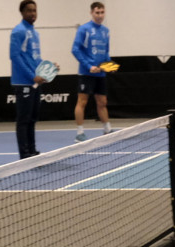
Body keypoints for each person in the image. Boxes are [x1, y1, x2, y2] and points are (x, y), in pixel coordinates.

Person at [10, 0, 56, 159]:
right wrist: (32, 76)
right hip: (23, 82)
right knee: (23, 119)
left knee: (32, 118)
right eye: (29, 10)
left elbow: (35, 59)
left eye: (34, 10)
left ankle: (32, 150)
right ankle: (24, 154)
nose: (32, 13)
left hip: (35, 83)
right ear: (22, 12)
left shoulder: (35, 33)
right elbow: (14, 56)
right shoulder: (18, 31)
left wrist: (49, 69)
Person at [71, 2, 113, 142]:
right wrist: (89, 66)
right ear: (91, 13)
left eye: (102, 12)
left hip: (100, 74)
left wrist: (108, 65)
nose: (100, 15)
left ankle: (107, 129)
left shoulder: (106, 31)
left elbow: (106, 52)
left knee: (102, 102)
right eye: (97, 12)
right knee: (82, 102)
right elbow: (75, 49)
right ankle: (79, 133)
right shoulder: (84, 29)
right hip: (86, 73)